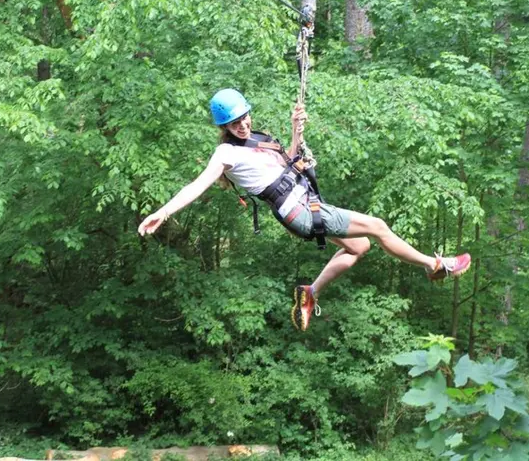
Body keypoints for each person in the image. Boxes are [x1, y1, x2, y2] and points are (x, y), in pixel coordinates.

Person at [137, 88, 471, 331]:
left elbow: (289, 163)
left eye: (244, 117)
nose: (242, 126)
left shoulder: (259, 138)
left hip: (304, 202)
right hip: (297, 211)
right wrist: (164, 212)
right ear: (223, 127)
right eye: (234, 123)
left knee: (360, 246)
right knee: (378, 226)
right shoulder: (225, 154)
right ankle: (434, 265)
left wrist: (296, 131)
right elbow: (196, 185)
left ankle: (309, 293)